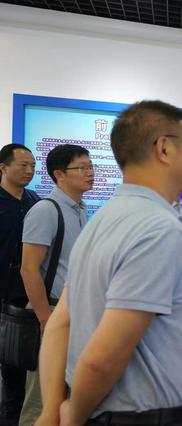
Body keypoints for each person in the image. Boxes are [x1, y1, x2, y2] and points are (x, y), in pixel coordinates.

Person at [36, 100, 182, 425]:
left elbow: (60, 324)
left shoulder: (101, 219)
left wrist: (52, 409)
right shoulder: (157, 227)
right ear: (164, 148)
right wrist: (73, 416)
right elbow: (103, 358)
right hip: (139, 417)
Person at [19, 144, 93, 425]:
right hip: (50, 311)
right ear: (59, 174)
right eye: (82, 168)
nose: (90, 173)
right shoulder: (45, 210)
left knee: (67, 396)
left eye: (90, 166)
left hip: (72, 313)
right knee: (41, 399)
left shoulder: (79, 209)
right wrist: (45, 319)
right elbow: (29, 269)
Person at [0, 144, 39, 425]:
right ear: (3, 167)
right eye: (23, 165)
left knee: (18, 361)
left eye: (32, 166)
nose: (29, 171)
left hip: (23, 294)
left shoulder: (35, 201)